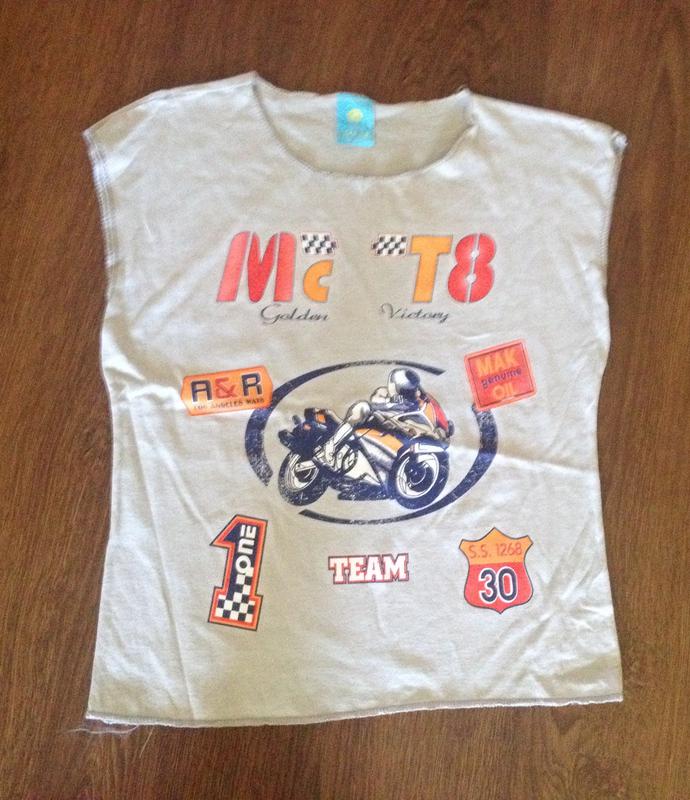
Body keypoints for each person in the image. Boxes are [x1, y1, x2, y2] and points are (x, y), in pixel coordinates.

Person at [313, 368, 452, 469]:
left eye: (413, 389)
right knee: (362, 407)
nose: (412, 393)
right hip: (375, 422)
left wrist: (443, 429)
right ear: (395, 387)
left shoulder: (419, 400)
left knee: (422, 433)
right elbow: (375, 401)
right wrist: (393, 402)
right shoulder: (383, 393)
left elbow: (429, 416)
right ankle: (329, 449)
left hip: (396, 429)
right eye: (407, 391)